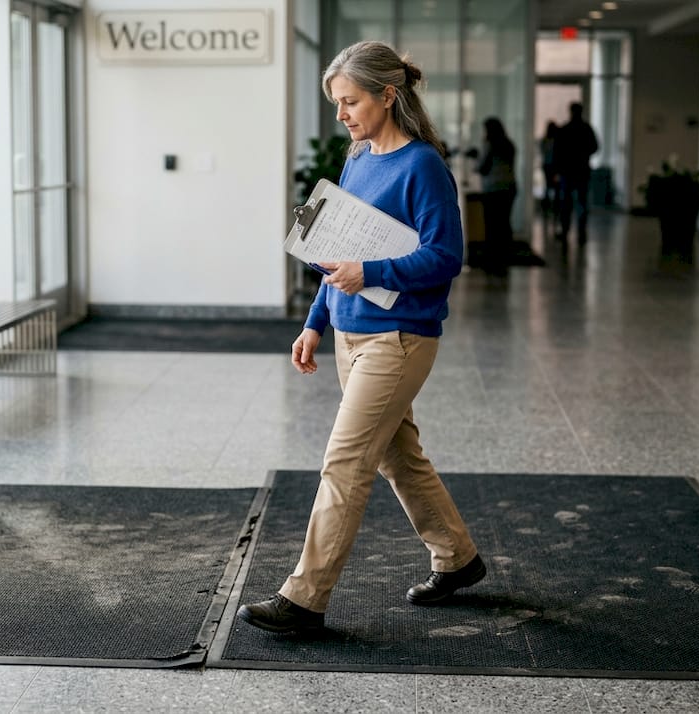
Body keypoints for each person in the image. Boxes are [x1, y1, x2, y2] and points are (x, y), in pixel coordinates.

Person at [236, 40, 483, 635]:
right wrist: (316, 321)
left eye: (350, 101)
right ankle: (459, 560)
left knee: (345, 461)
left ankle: (305, 598)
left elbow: (446, 256)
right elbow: (334, 253)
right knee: (400, 458)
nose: (342, 114)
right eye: (337, 104)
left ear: (388, 96)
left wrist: (372, 273)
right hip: (349, 333)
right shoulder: (357, 159)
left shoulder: (422, 166)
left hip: (397, 341)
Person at [552, 102, 599, 242]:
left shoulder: (565, 129)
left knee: (566, 202)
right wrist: (584, 154)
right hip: (582, 170)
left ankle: (565, 230)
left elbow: (557, 152)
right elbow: (595, 147)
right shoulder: (586, 129)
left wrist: (557, 170)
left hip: (567, 171)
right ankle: (581, 232)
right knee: (582, 202)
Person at [478, 117, 518, 274]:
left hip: (493, 189)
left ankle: (492, 258)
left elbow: (483, 168)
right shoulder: (509, 144)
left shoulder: (490, 145)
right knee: (504, 223)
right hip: (509, 187)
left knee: (491, 225)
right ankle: (505, 256)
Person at [539, 120, 559, 223]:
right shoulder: (555, 141)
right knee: (555, 189)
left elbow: (542, 152)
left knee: (548, 188)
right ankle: (553, 209)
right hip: (553, 167)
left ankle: (547, 208)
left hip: (548, 166)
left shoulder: (545, 141)